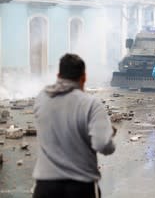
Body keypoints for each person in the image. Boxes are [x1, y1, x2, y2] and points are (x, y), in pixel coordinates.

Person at [33, 53, 116, 198]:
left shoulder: (42, 99)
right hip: (80, 187)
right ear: (84, 78)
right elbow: (103, 145)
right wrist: (109, 136)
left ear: (58, 75)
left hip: (44, 187)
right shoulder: (91, 104)